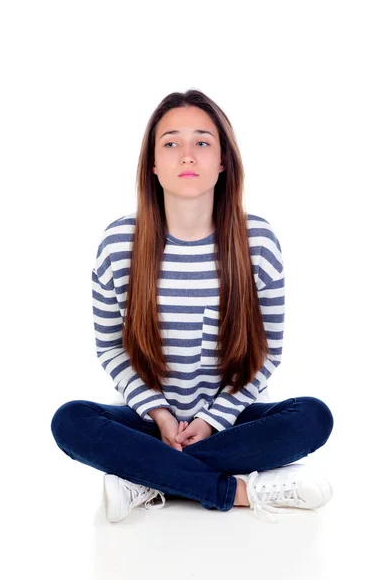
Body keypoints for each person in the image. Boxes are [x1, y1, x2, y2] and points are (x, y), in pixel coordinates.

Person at [50, 89, 334, 524]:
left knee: (313, 417)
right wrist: (160, 415)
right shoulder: (118, 243)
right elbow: (110, 349)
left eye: (202, 142)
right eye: (171, 143)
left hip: (230, 422)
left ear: (223, 161)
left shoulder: (257, 242)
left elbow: (269, 352)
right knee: (70, 421)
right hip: (147, 422)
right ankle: (235, 490)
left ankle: (145, 476)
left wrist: (214, 420)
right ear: (153, 164)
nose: (187, 155)